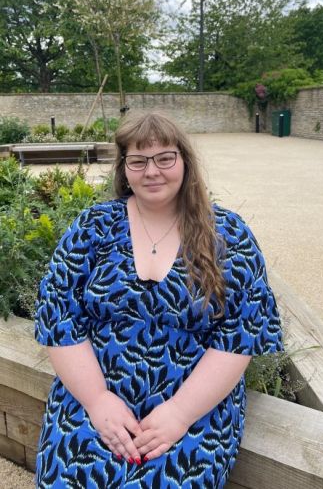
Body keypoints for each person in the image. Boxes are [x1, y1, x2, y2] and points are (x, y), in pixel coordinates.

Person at [34, 111, 284, 488]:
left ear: (185, 161)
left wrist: (180, 414)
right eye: (138, 160)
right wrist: (98, 401)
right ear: (124, 168)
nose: (152, 171)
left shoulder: (229, 234)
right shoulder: (93, 226)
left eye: (165, 158)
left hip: (193, 406)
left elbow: (241, 333)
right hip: (94, 396)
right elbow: (58, 316)